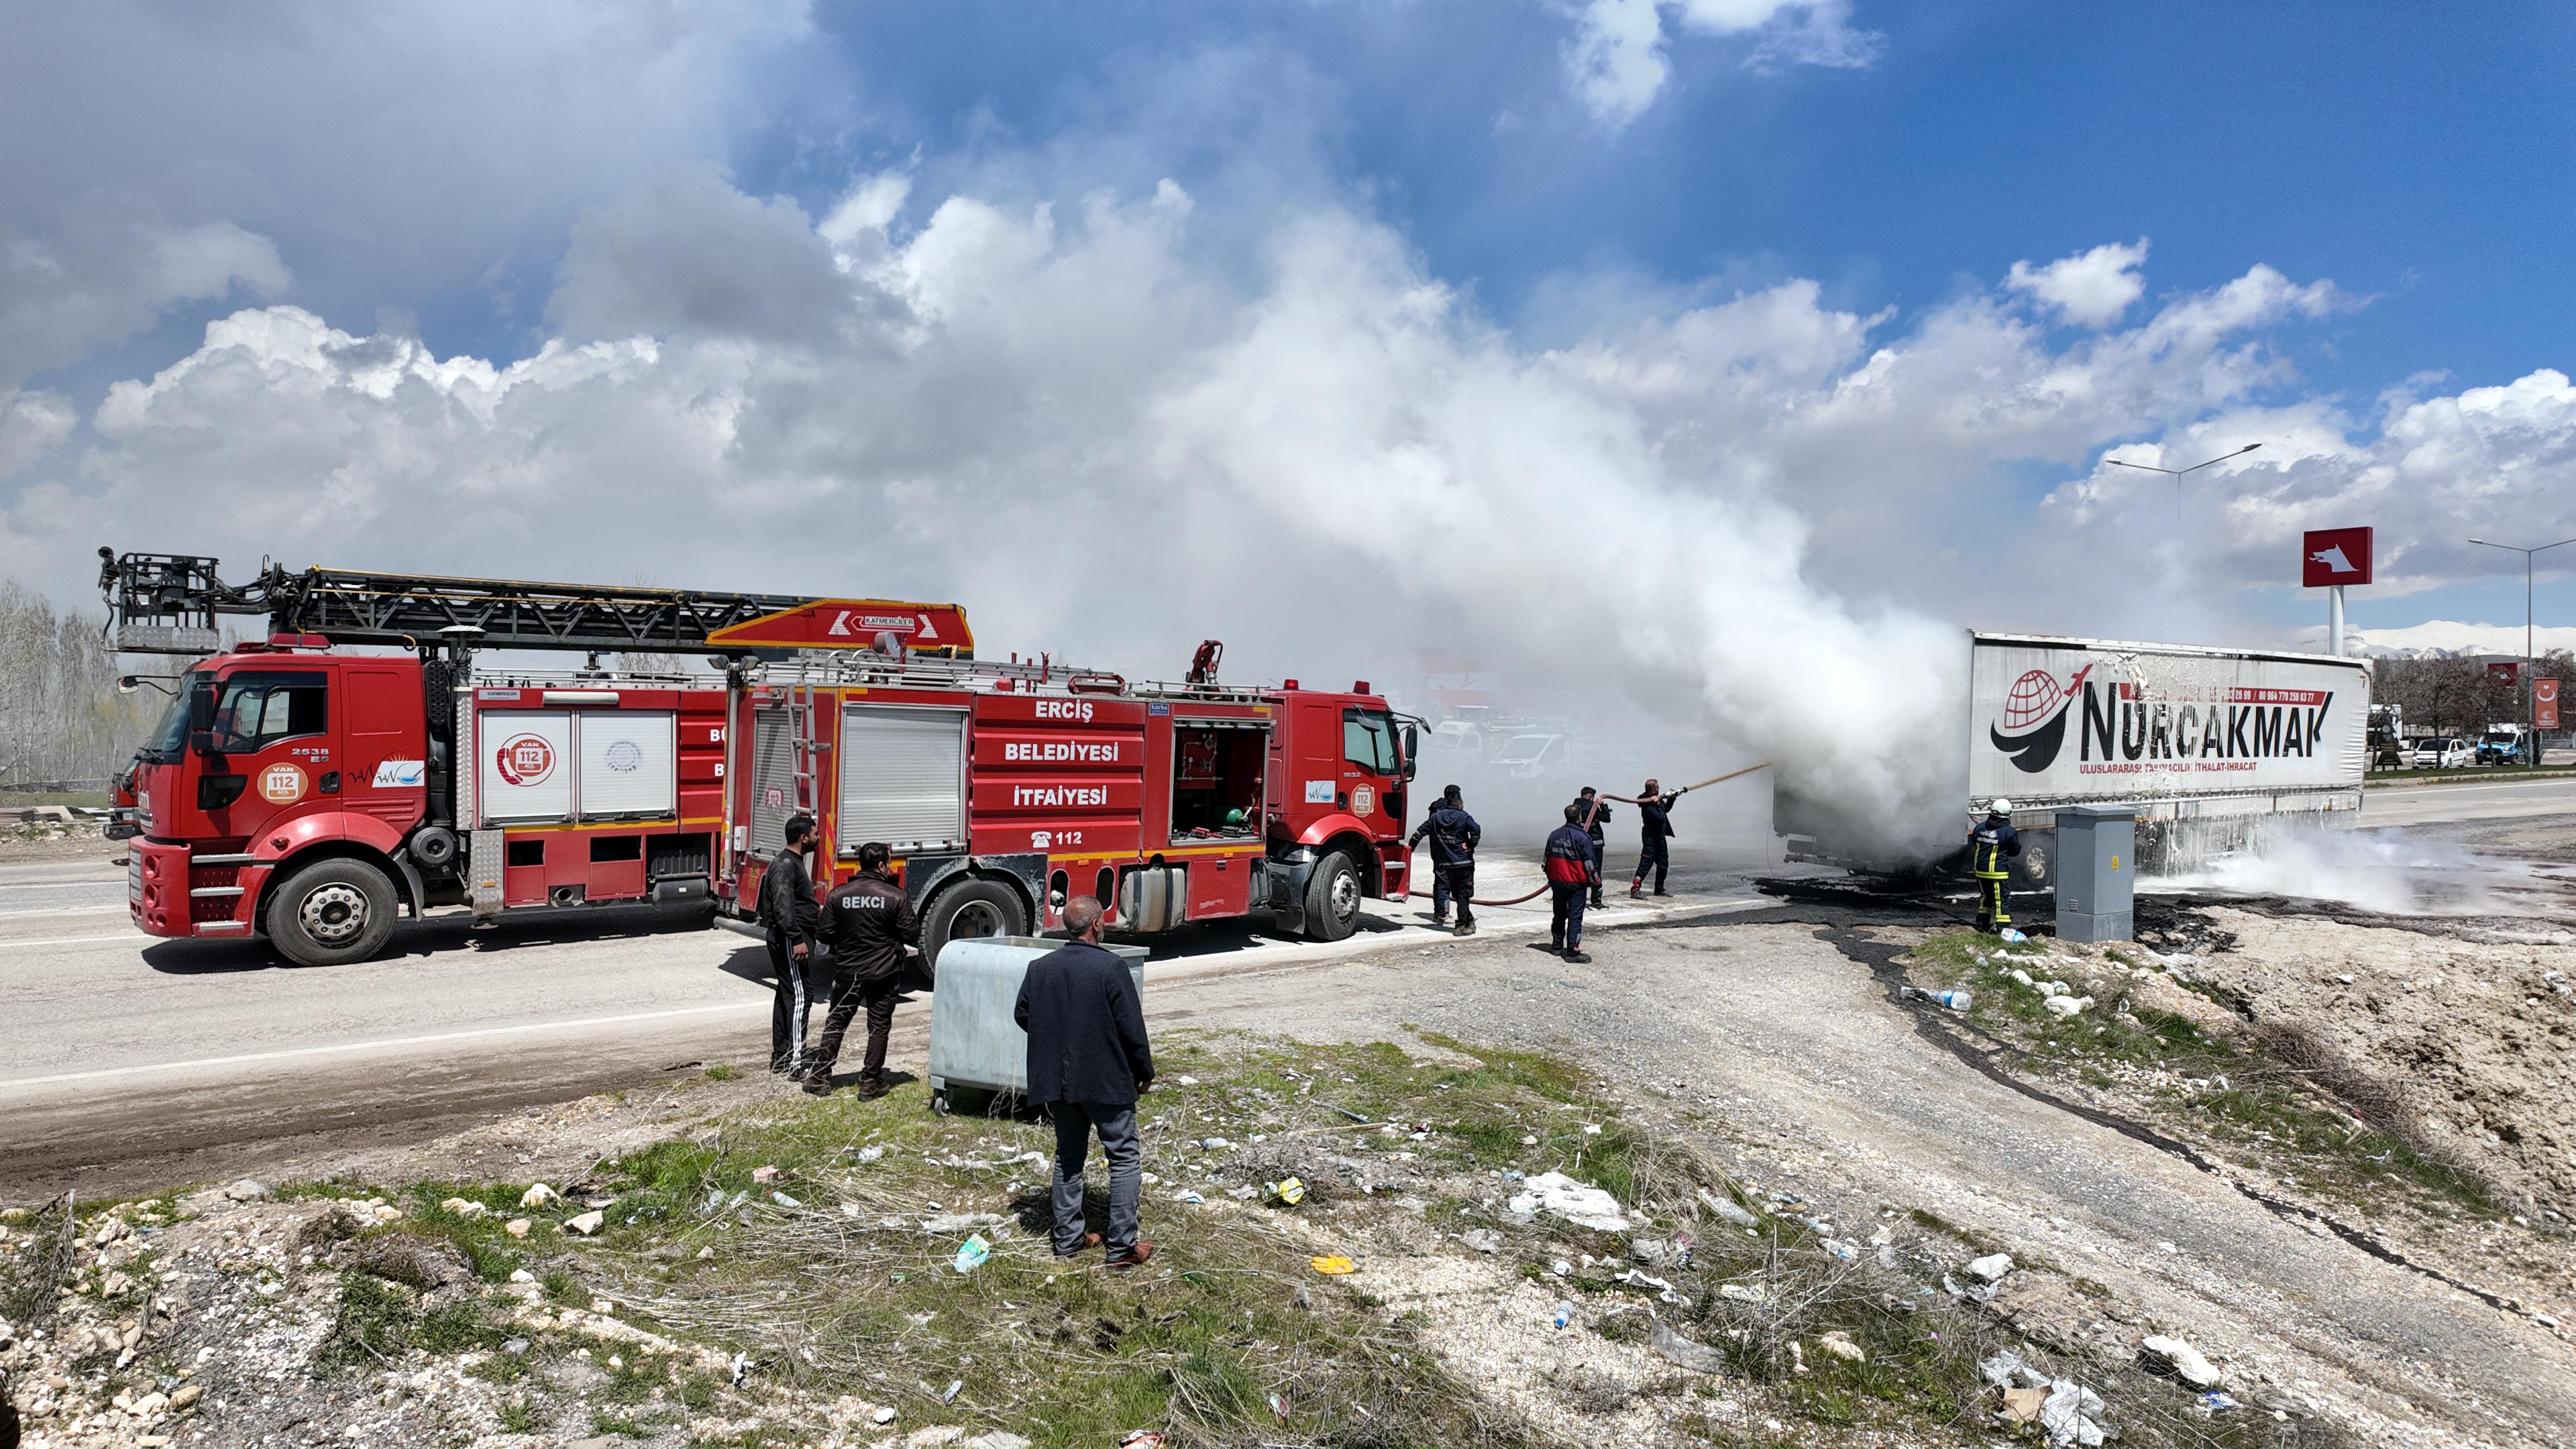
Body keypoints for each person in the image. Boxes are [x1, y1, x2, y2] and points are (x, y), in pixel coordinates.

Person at [1016, 896, 1157, 1267]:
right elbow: (1132, 1031)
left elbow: (1023, 1014)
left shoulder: (1039, 968)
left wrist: (1059, 1040)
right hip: (1106, 1080)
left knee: (1068, 1157)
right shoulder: (1111, 968)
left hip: (1059, 1083)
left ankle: (1067, 1241)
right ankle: (1122, 1249)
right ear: (1096, 925)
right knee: (1124, 1159)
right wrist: (1144, 1072)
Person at [807, 842, 918, 1097]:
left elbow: (824, 934)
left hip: (848, 971)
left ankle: (819, 1076)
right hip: (884, 972)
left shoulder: (838, 895)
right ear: (881, 865)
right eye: (888, 863)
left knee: (836, 1022)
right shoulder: (896, 897)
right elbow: (911, 934)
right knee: (878, 1027)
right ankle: (870, 1082)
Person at [757, 813, 822, 1077]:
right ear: (803, 837)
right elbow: (784, 909)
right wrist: (796, 939)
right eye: (816, 835)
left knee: (787, 995)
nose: (818, 839)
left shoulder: (792, 863)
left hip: (790, 936)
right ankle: (797, 1063)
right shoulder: (785, 865)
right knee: (800, 996)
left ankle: (782, 1056)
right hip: (789, 939)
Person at [1405, 784, 1483, 936]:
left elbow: (1418, 833)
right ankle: (1461, 925)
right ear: (1459, 800)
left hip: (1445, 863)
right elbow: (1476, 830)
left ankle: (1460, 918)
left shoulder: (1435, 817)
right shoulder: (1464, 816)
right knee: (1462, 894)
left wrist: (1411, 847)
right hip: (1463, 862)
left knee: (1449, 890)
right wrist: (1470, 844)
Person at [1543, 802, 1598, 963]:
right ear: (1579, 817)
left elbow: (1546, 861)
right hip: (1576, 884)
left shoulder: (1554, 835)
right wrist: (1596, 882)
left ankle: (1557, 946)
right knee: (1575, 917)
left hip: (1558, 884)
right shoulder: (1583, 837)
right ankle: (1573, 952)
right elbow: (1590, 863)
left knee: (1559, 915)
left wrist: (1551, 879)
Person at [1626, 779, 1688, 898]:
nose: (1659, 789)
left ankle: (1659, 889)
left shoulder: (1656, 800)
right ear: (1653, 790)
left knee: (1663, 865)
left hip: (1660, 840)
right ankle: (1635, 889)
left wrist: (1672, 798)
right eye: (1657, 788)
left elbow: (1666, 810)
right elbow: (1659, 817)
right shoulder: (1647, 805)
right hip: (1651, 841)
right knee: (1645, 865)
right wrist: (1658, 802)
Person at [1970, 799, 2021, 934]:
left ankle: (1982, 923)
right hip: (1998, 873)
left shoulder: (1980, 828)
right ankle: (2002, 928)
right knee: (2001, 899)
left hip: (1980, 872)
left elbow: (1974, 841)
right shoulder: (2008, 832)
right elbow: (2015, 851)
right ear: (2009, 814)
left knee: (1985, 897)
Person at [1572, 787, 1612, 908]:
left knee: (1579, 870)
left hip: (1579, 843)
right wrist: (1602, 806)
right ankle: (1596, 901)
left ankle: (1576, 898)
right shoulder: (1592, 806)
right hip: (1595, 843)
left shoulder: (1575, 806)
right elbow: (1606, 819)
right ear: (1591, 797)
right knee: (1595, 871)